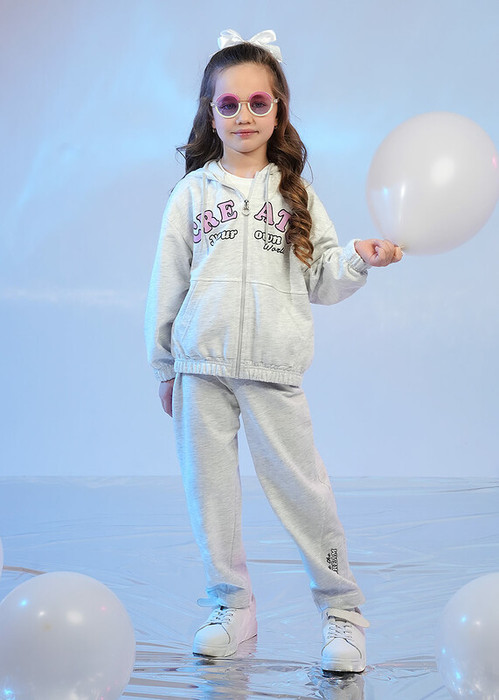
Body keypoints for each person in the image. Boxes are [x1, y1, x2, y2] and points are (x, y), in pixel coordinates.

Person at [145, 28, 402, 673]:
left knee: (304, 493)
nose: (244, 116)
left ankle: (343, 612)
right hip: (200, 368)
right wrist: (165, 364)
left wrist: (359, 259)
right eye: (229, 104)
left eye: (258, 103)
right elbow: (166, 282)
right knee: (211, 497)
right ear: (210, 113)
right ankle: (231, 606)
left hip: (273, 368)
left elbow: (323, 280)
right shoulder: (192, 194)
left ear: (279, 109)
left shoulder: (296, 196)